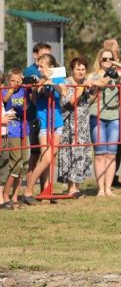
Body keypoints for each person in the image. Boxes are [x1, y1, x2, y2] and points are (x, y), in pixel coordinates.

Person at [89, 49, 121, 196]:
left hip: (114, 119)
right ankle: (100, 189)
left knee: (111, 154)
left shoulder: (118, 75)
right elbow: (89, 100)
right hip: (97, 117)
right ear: (99, 60)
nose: (107, 61)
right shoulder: (93, 76)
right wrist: (99, 86)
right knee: (99, 154)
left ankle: (108, 188)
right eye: (104, 59)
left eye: (110, 59)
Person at [20, 54, 67, 205]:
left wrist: (51, 81)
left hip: (57, 122)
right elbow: (36, 95)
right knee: (46, 158)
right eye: (38, 66)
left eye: (42, 66)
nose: (39, 68)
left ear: (51, 67)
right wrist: (42, 82)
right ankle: (27, 191)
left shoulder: (58, 78)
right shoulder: (38, 81)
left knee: (50, 159)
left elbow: (64, 91)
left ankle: (47, 190)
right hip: (44, 123)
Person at [58, 57, 95, 197]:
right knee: (72, 153)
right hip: (70, 124)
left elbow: (88, 101)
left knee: (81, 154)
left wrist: (95, 90)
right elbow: (70, 102)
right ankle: (71, 188)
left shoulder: (84, 83)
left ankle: (77, 187)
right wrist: (81, 89)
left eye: (83, 69)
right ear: (72, 70)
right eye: (78, 69)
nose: (81, 72)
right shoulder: (66, 83)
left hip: (83, 123)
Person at [23, 42, 52, 194]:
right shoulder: (29, 71)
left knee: (48, 155)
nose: (45, 59)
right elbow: (30, 95)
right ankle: (29, 191)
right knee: (35, 155)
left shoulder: (53, 70)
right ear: (35, 55)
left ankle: (46, 191)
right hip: (35, 117)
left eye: (48, 56)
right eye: (42, 56)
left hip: (51, 117)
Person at [1, 69, 30, 209]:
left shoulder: (24, 90)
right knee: (16, 164)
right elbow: (5, 99)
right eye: (13, 80)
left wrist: (27, 83)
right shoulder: (6, 90)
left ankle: (15, 196)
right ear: (8, 81)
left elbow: (32, 100)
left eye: (18, 80)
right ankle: (5, 195)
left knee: (24, 165)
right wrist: (13, 88)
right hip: (12, 131)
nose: (16, 83)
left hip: (24, 129)